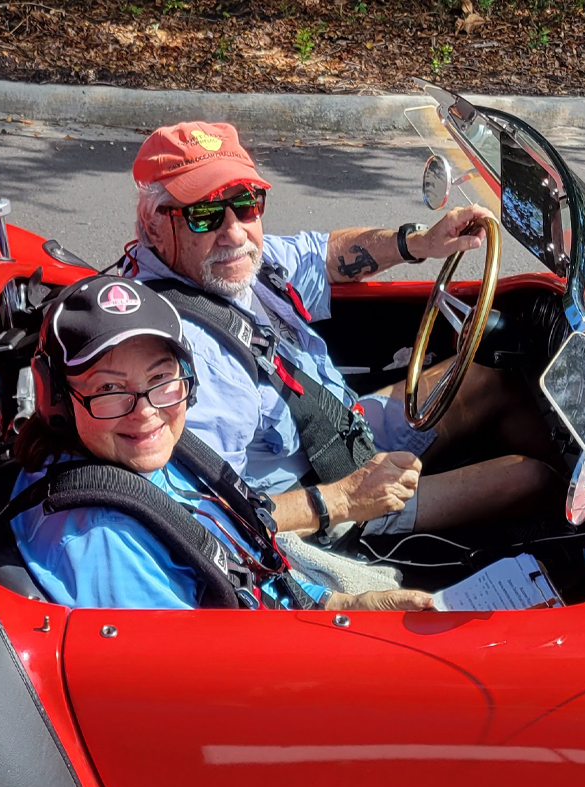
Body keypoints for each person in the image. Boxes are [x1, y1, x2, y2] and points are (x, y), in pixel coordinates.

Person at [122, 121, 562, 544]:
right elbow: (208, 517)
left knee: (493, 376)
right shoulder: (185, 360)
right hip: (326, 503)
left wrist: (419, 243)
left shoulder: (237, 264)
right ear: (154, 225)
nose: (234, 231)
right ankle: (569, 550)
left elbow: (325, 254)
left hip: (340, 426)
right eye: (205, 214)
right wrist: (346, 500)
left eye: (247, 203)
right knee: (532, 478)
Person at [7, 275, 434, 612]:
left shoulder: (142, 455)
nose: (146, 411)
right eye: (109, 390)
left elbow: (236, 553)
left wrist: (339, 604)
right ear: (58, 401)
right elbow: (194, 687)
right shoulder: (102, 541)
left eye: (160, 379)